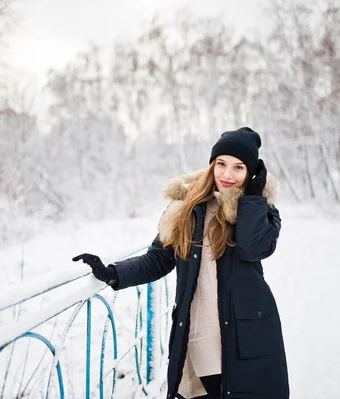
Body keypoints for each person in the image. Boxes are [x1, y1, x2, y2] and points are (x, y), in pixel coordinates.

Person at [73, 127, 289, 399]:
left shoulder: (261, 210)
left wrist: (252, 198)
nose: (227, 174)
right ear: (211, 165)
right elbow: (158, 259)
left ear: (251, 173)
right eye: (221, 164)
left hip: (250, 334)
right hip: (202, 333)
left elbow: (253, 247)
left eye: (239, 167)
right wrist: (113, 272)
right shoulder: (187, 209)